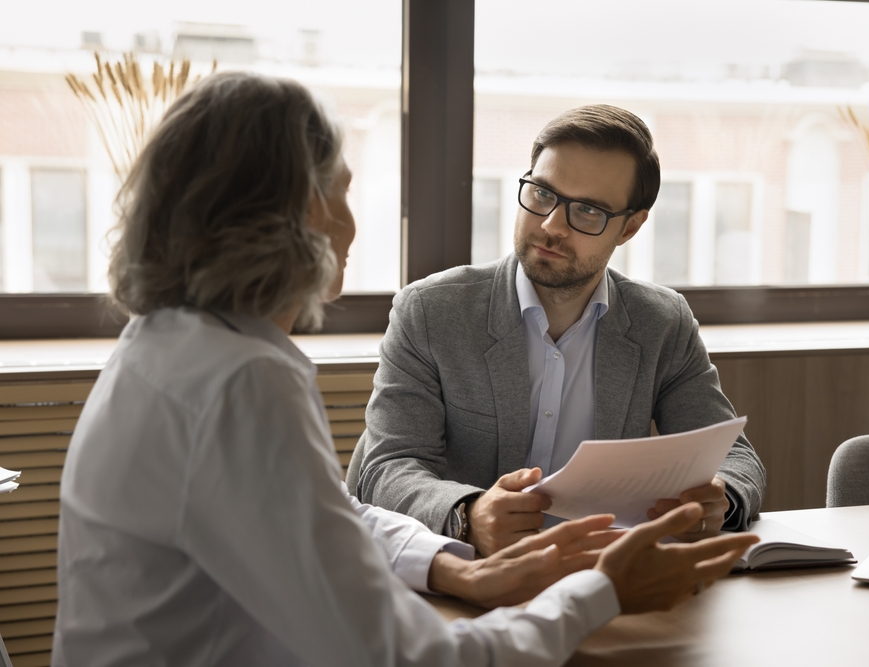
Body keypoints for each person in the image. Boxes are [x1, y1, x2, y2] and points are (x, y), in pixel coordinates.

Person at [52, 73, 758, 666]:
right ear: (283, 215)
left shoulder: (167, 346)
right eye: (341, 191)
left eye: (585, 210)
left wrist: (454, 567)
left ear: (630, 224)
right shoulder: (241, 382)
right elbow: (408, 655)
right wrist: (601, 588)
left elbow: (327, 510)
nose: (352, 225)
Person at [353, 104, 767, 557]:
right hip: (464, 576)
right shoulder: (432, 312)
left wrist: (719, 499)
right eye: (542, 193)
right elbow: (388, 466)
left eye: (587, 211)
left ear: (630, 226)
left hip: (599, 578)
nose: (551, 226)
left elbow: (736, 456)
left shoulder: (662, 322)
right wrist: (467, 515)